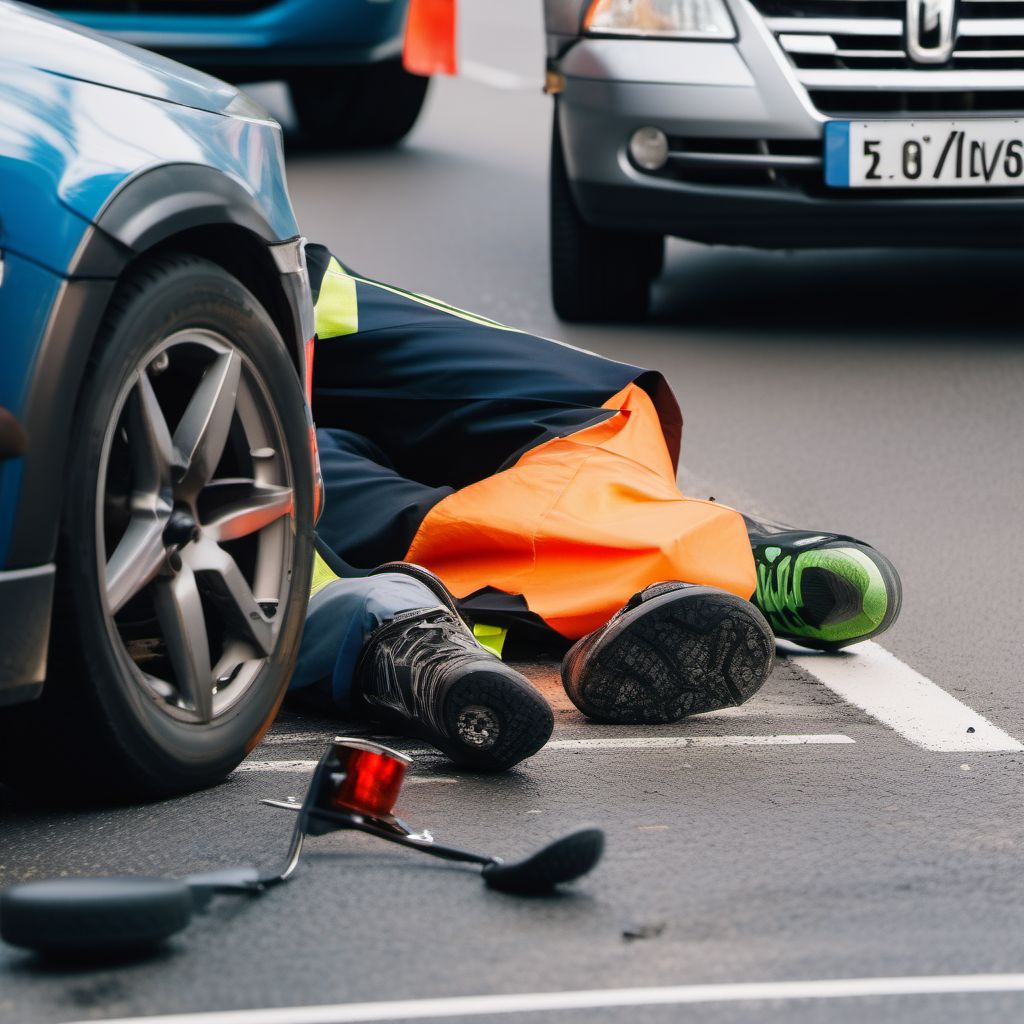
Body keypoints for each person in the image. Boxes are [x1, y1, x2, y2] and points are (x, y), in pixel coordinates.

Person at [289, 245, 901, 771]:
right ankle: (411, 635)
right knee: (304, 497)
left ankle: (687, 546)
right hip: (214, 400)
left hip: (272, 286)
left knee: (596, 407)